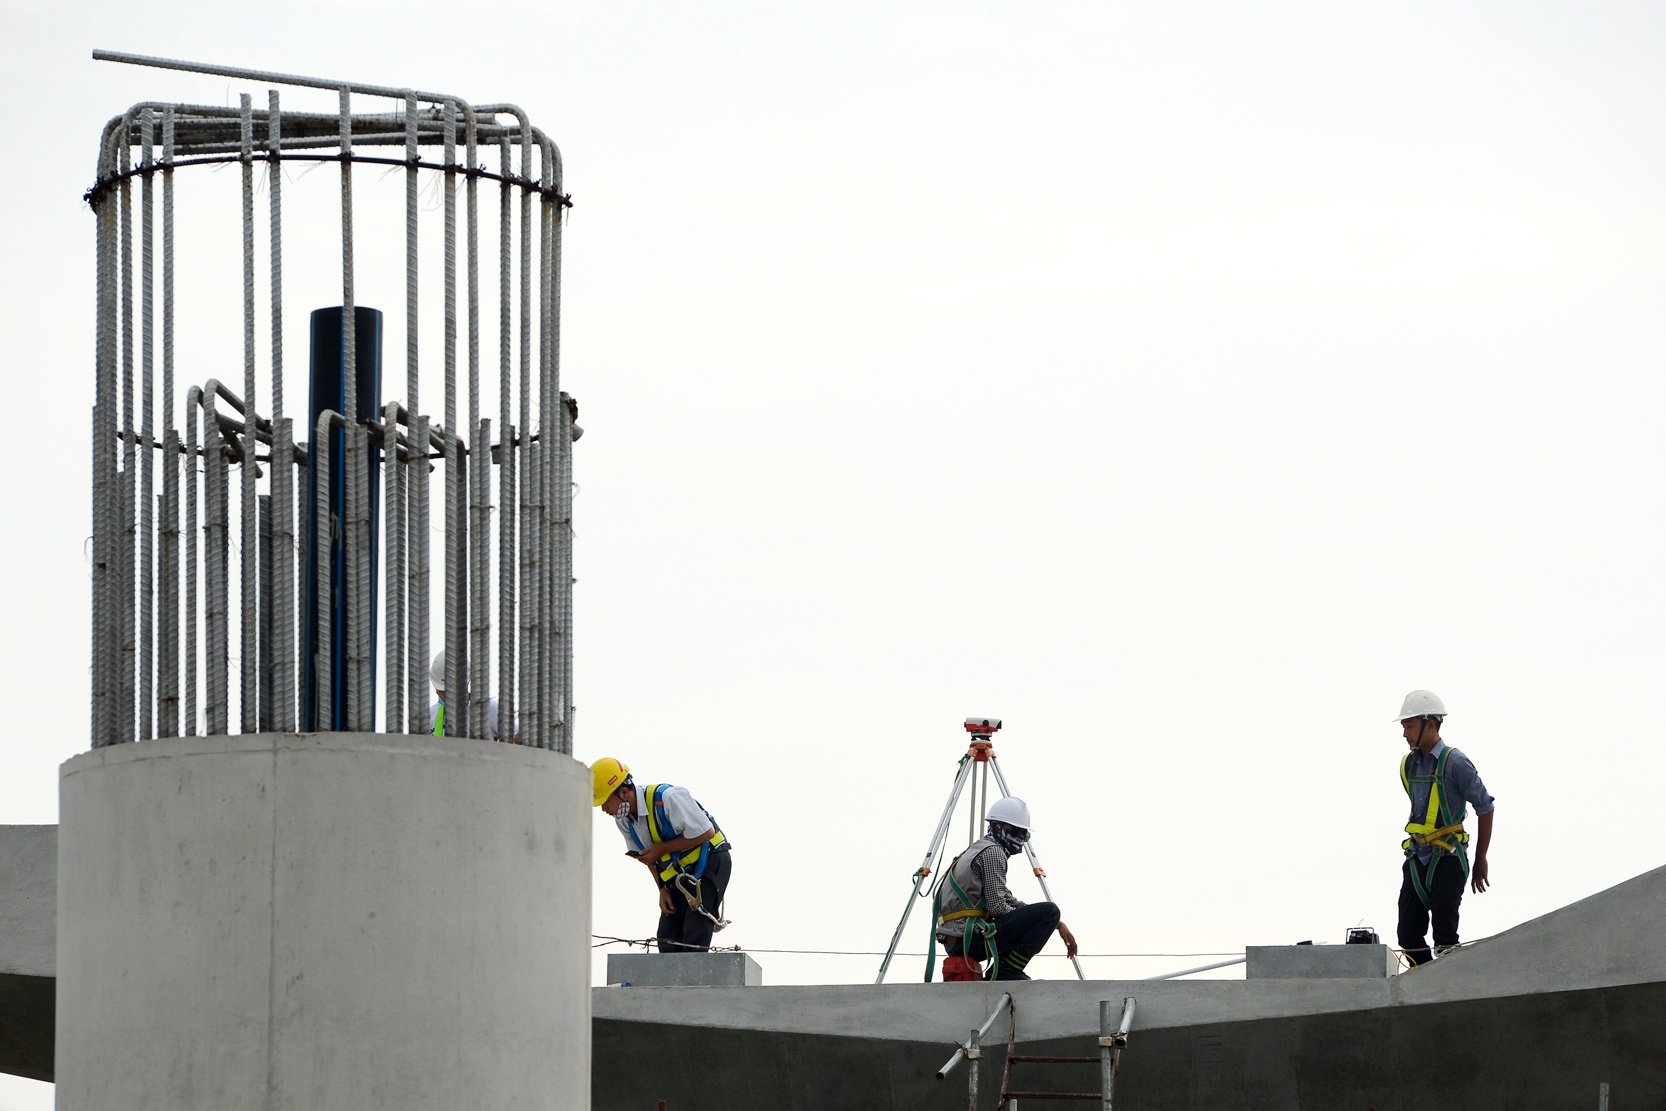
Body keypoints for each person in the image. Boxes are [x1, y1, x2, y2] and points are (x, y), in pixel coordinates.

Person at [1394, 690, 1495, 967]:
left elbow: (1485, 806)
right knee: (1408, 933)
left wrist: (1480, 858)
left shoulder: (1456, 763)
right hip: (1417, 859)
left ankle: (1446, 982)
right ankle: (1425, 980)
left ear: (1430, 724)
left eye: (1410, 725)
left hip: (1448, 858)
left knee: (1445, 936)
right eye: (1404, 727)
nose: (1405, 733)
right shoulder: (1409, 766)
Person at [591, 757, 732, 954]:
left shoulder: (668, 798)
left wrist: (663, 849)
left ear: (623, 792)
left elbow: (706, 832)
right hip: (677, 876)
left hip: (709, 860)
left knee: (695, 933)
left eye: (605, 802)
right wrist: (662, 889)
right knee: (667, 939)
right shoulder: (624, 820)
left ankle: (693, 980)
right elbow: (647, 857)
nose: (604, 809)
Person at [933, 797, 1078, 981]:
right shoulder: (993, 852)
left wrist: (1057, 924)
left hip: (957, 938)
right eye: (1019, 833)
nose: (1021, 840)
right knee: (1049, 911)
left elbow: (1006, 898)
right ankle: (1007, 970)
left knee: (1044, 914)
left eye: (1025, 835)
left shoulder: (979, 848)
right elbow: (998, 908)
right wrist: (1043, 921)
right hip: (966, 940)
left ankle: (1003, 969)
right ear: (1003, 828)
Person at [428, 649, 504, 741]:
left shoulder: (489, 709)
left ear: (467, 683)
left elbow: (517, 740)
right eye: (443, 691)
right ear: (436, 689)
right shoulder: (430, 716)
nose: (449, 695)